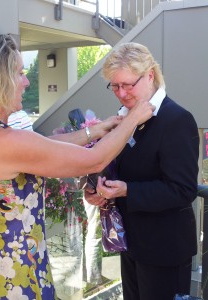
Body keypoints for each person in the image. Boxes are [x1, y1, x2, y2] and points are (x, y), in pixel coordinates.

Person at [0, 34, 154, 300]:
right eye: (19, 73)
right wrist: (132, 119)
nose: (26, 81)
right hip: (11, 277)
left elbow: (41, 148)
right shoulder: (2, 140)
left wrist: (94, 131)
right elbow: (94, 160)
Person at [84, 42, 200, 300]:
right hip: (132, 244)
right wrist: (99, 189)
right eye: (115, 86)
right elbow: (120, 167)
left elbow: (183, 189)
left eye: (128, 85)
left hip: (164, 249)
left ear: (150, 75)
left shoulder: (176, 119)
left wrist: (127, 190)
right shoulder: (124, 116)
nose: (122, 93)